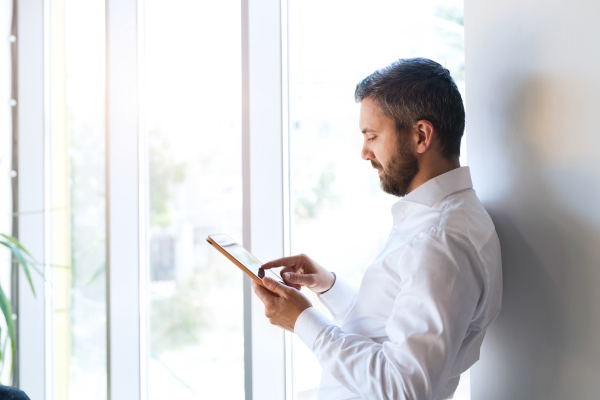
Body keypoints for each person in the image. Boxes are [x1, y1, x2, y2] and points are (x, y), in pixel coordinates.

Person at [252, 58, 502, 400]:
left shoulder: (441, 240)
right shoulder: (436, 220)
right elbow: (389, 325)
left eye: (372, 136)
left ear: (421, 135)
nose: (365, 152)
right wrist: (329, 287)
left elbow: (403, 387)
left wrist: (302, 320)